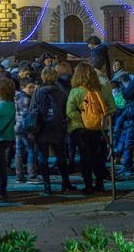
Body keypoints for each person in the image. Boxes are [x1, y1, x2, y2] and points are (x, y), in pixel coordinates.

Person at [66, 63, 115, 194]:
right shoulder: (103, 88)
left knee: (85, 158)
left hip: (82, 130)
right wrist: (101, 120)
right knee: (98, 157)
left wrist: (82, 120)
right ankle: (100, 184)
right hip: (100, 128)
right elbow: (112, 107)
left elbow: (70, 111)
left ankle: (88, 185)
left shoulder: (76, 91)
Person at [30, 67, 76, 195]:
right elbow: (65, 110)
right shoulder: (61, 93)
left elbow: (32, 110)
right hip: (58, 128)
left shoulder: (38, 92)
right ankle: (65, 182)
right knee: (61, 156)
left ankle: (47, 186)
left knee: (42, 157)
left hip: (42, 128)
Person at [14, 78, 38, 183]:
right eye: (30, 87)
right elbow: (26, 117)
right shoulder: (26, 99)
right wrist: (30, 131)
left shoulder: (17, 97)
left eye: (33, 87)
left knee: (19, 152)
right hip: (25, 129)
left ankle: (19, 174)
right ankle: (31, 174)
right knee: (31, 150)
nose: (32, 89)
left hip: (17, 128)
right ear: (23, 87)